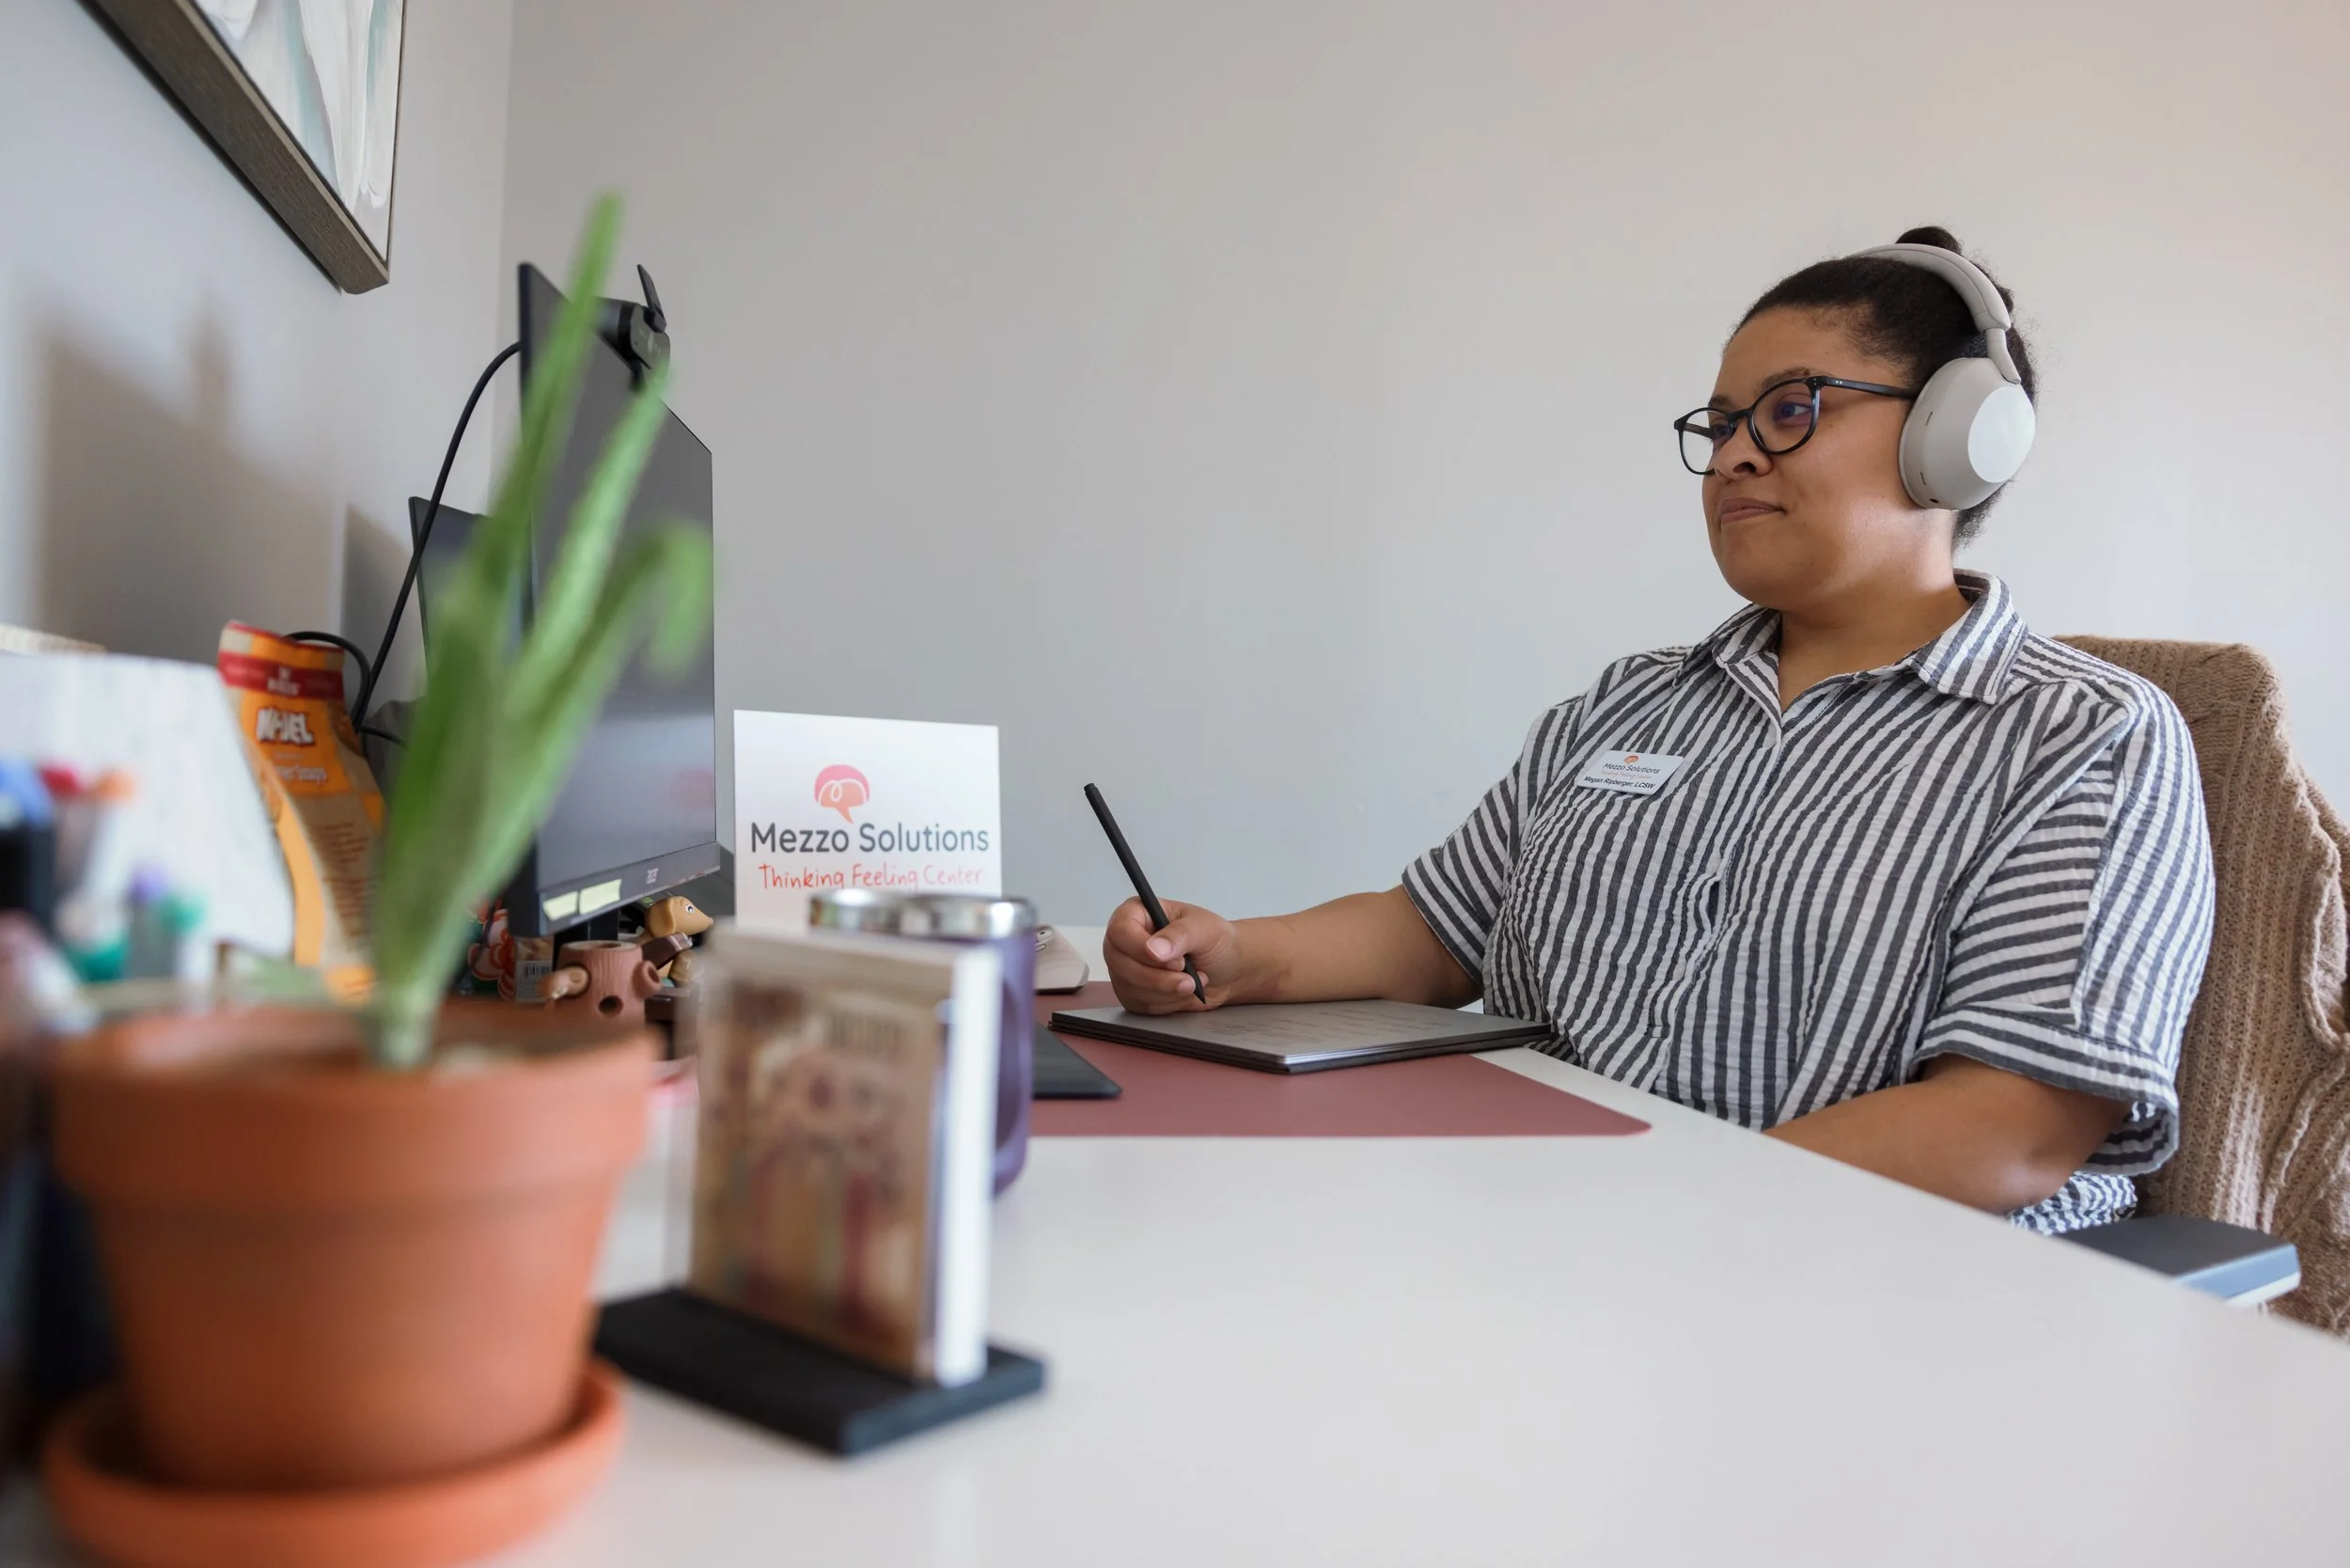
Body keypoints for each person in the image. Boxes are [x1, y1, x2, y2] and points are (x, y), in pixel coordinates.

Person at [1104, 227, 2216, 1232]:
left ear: (1954, 438)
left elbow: (2009, 1130)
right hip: (1557, 1235)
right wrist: (1241, 958)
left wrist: (1658, 1215)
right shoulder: (1632, 701)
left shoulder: (2085, 737)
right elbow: (1432, 932)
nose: (1734, 455)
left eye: (1790, 411)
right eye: (1721, 424)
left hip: (1856, 1292)